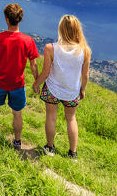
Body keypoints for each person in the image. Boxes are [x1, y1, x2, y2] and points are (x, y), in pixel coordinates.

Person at [32, 14, 91, 159]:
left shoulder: (50, 48)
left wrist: (36, 84)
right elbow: (85, 76)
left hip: (52, 89)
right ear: (77, 29)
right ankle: (73, 153)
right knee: (71, 119)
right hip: (72, 91)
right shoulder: (85, 50)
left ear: (61, 29)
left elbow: (45, 73)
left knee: (51, 117)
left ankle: (50, 148)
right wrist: (82, 90)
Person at [0, 3, 39, 149]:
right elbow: (33, 65)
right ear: (20, 19)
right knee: (17, 113)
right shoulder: (28, 41)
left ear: (7, 19)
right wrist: (37, 81)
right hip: (17, 85)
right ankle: (17, 141)